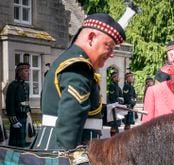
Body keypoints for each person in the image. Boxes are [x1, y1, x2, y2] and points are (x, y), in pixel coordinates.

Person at [33, 13, 129, 150]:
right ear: (91, 38)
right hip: (64, 151)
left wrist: (108, 111)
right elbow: (70, 122)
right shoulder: (79, 67)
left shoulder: (73, 62)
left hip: (56, 146)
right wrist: (66, 161)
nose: (112, 53)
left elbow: (79, 110)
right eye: (109, 46)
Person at [5, 62, 35, 147]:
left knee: (26, 142)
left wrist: (29, 116)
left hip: (25, 116)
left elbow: (27, 102)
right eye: (26, 71)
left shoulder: (26, 85)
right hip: (17, 117)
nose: (28, 73)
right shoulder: (13, 85)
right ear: (19, 72)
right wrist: (13, 120)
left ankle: (23, 157)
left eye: (28, 70)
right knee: (16, 144)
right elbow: (9, 104)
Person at [107, 71, 124, 135]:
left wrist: (121, 100)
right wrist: (118, 100)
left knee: (116, 124)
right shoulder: (112, 86)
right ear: (113, 78)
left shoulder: (118, 86)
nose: (118, 78)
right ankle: (113, 138)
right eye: (117, 76)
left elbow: (121, 95)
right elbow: (112, 97)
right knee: (113, 125)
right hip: (113, 107)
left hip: (117, 106)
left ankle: (115, 138)